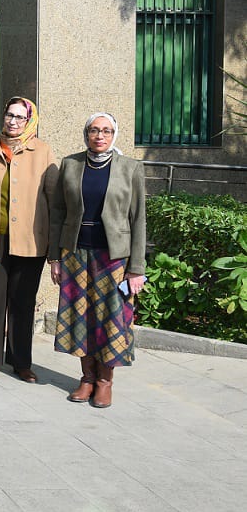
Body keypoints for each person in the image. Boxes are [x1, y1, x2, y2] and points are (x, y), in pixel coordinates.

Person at [49, 112, 146, 409]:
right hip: (75, 253)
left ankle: (104, 381)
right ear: (86, 134)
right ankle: (87, 378)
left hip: (113, 257)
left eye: (106, 130)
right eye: (94, 130)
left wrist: (136, 269)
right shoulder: (71, 164)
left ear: (114, 135)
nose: (99, 135)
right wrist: (54, 257)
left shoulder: (130, 168)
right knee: (80, 317)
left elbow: (139, 219)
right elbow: (58, 213)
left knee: (111, 319)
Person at [0, 97, 58, 382]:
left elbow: (54, 199)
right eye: (9, 115)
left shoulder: (42, 152)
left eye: (20, 117)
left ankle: (21, 361)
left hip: (30, 239)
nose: (13, 121)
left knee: (23, 301)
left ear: (30, 121)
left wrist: (54, 245)